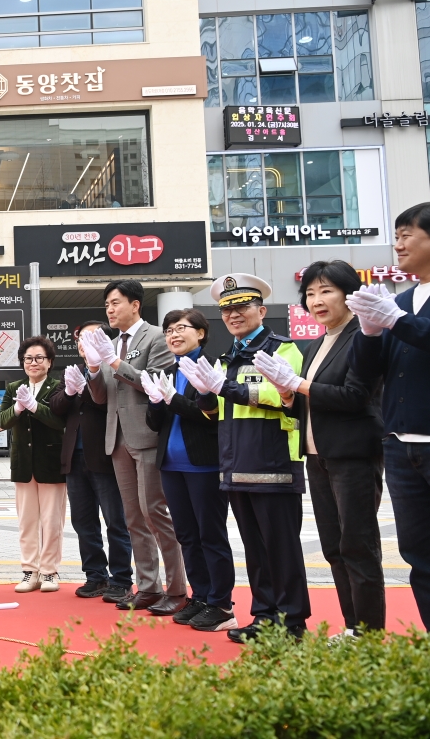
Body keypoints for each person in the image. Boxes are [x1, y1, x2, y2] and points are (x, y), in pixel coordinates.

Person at [254, 261, 385, 636]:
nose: (317, 300)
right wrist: (287, 393)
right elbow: (306, 402)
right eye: (310, 293)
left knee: (358, 546)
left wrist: (297, 384)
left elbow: (355, 396)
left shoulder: (364, 335)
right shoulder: (315, 344)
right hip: (317, 454)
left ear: (349, 293)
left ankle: (369, 635)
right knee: (333, 547)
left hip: (353, 455)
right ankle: (351, 628)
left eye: (326, 290)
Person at [182, 273, 309, 642]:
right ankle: (264, 617)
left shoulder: (282, 348)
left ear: (261, 310)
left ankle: (292, 622)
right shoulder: (228, 355)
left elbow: (281, 394)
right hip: (236, 465)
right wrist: (206, 396)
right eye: (227, 310)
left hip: (272, 462)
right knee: (255, 549)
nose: (234, 315)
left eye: (241, 307)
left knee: (281, 548)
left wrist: (226, 387)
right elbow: (219, 411)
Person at [347, 202, 430, 629]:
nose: (397, 245)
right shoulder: (401, 299)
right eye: (395, 236)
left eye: (405, 235)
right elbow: (368, 372)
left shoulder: (402, 309)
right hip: (401, 446)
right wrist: (369, 331)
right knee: (417, 552)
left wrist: (398, 321)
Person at [83, 280, 188, 613]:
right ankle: (148, 586)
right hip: (117, 438)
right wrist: (94, 369)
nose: (110, 310)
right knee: (133, 518)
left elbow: (152, 382)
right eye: (107, 305)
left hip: (147, 436)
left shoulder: (157, 337)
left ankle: (177, 588)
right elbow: (102, 397)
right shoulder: (112, 345)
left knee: (155, 512)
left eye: (115, 303)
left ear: (136, 304)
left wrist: (113, 362)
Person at [140, 309, 237, 632]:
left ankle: (221, 603)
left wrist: (174, 400)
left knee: (211, 535)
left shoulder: (211, 368)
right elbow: (155, 425)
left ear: (201, 333)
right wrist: (156, 402)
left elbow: (211, 416)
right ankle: (200, 596)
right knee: (187, 535)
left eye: (181, 328)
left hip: (203, 464)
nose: (173, 335)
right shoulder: (168, 370)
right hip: (171, 465)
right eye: (168, 330)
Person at [49, 322, 133, 601]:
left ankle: (121, 578)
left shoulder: (113, 371)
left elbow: (101, 403)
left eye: (90, 339)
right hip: (74, 457)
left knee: (115, 521)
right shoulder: (72, 371)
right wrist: (71, 390)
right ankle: (95, 575)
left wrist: (87, 385)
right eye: (80, 340)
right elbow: (57, 407)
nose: (84, 344)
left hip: (105, 457)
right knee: (83, 522)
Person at [0, 337, 67, 593]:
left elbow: (60, 422)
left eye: (39, 358)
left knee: (52, 521)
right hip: (23, 464)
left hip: (51, 462)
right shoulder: (14, 387)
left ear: (49, 362)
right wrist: (17, 407)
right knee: (27, 521)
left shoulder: (59, 386)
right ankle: (30, 571)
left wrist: (35, 406)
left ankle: (49, 571)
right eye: (28, 359)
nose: (33, 363)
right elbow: (2, 420)